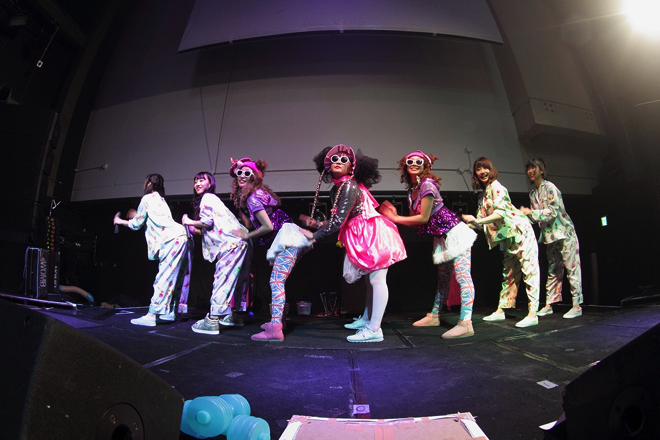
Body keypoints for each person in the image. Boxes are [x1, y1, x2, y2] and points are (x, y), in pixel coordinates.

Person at [302, 144, 407, 343]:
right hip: (361, 233)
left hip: (372, 234)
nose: (338, 162)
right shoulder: (340, 186)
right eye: (334, 159)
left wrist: (314, 236)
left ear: (352, 166)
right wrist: (319, 224)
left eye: (344, 159)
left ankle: (374, 329)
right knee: (370, 281)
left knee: (377, 280)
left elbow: (339, 220)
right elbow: (340, 217)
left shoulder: (348, 185)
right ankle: (367, 319)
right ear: (327, 165)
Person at [379, 150, 477, 338]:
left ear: (426, 166)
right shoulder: (412, 190)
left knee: (463, 276)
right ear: (405, 165)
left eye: (419, 162)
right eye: (410, 161)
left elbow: (423, 218)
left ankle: (466, 323)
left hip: (455, 234)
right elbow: (416, 220)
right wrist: (394, 215)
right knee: (443, 278)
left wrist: (395, 217)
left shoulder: (427, 184)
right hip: (442, 238)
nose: (414, 164)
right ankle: (434, 315)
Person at [228, 157, 313, 341]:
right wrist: (242, 211)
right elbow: (254, 223)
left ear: (254, 176)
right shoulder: (256, 195)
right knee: (277, 280)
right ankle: (278, 321)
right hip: (289, 238)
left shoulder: (253, 198)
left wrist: (247, 236)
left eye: (247, 173)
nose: (242, 175)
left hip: (286, 240)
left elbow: (268, 226)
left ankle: (275, 329)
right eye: (239, 172)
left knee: (276, 282)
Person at [461, 157, 540, 328]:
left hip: (520, 231)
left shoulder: (497, 187)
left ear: (491, 170)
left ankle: (533, 313)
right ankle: (502, 309)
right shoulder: (483, 196)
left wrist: (477, 221)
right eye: (478, 169)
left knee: (529, 270)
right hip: (508, 237)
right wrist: (466, 224)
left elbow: (500, 214)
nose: (482, 172)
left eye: (485, 168)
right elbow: (481, 222)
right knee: (509, 273)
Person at [113, 173, 192, 326]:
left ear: (149, 184)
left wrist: (120, 221)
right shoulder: (161, 200)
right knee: (176, 277)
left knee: (163, 277)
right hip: (181, 236)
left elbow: (137, 224)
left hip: (171, 239)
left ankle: (152, 315)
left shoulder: (147, 198)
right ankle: (171, 312)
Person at [181, 172, 248, 335]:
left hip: (231, 243)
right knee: (238, 280)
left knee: (222, 279)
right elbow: (212, 228)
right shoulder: (216, 201)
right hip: (241, 240)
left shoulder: (207, 198)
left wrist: (189, 221)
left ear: (210, 183)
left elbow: (207, 222)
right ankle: (235, 316)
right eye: (195, 181)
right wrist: (195, 229)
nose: (197, 183)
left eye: (201, 180)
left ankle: (212, 320)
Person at [519, 158, 583, 318]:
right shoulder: (533, 193)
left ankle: (577, 306)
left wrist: (531, 213)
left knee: (572, 268)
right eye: (528, 168)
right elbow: (535, 218)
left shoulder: (550, 187)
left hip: (564, 233)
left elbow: (553, 211)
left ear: (541, 170)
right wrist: (523, 216)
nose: (531, 171)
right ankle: (549, 304)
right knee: (553, 271)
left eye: (534, 168)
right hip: (550, 237)